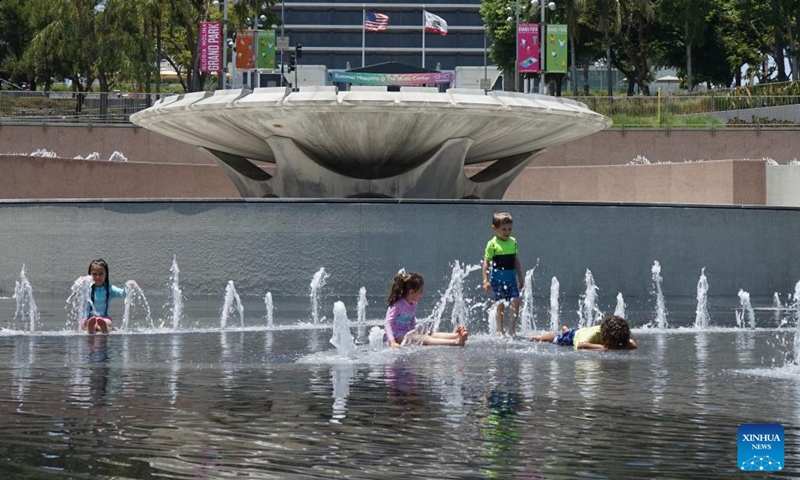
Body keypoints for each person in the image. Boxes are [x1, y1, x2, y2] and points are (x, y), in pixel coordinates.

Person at [384, 272, 468, 347]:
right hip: (396, 335)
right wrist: (392, 342)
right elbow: (388, 322)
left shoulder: (413, 304)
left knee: (429, 334)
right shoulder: (397, 305)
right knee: (424, 339)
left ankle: (456, 336)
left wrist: (415, 331)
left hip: (406, 333)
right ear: (411, 292)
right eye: (421, 291)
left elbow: (411, 319)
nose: (422, 294)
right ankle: (456, 342)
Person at [482, 212, 524, 338]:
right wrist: (485, 280)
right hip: (497, 280)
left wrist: (520, 277)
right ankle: (500, 331)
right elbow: (486, 263)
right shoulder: (492, 244)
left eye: (509, 229)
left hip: (511, 278)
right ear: (494, 228)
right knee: (500, 305)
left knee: (516, 302)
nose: (507, 232)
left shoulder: (513, 242)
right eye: (504, 229)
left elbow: (516, 260)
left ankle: (512, 330)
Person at [81, 259, 137, 334]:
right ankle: (92, 328)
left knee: (109, 323)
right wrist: (80, 281)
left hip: (104, 318)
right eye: (94, 274)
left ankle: (102, 327)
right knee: (86, 324)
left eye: (101, 274)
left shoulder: (109, 289)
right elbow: (79, 288)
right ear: (89, 275)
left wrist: (128, 286)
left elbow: (122, 293)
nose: (97, 277)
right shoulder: (87, 288)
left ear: (106, 274)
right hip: (89, 318)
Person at [530, 315, 638, 350]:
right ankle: (538, 337)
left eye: (617, 342)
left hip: (582, 331)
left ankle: (565, 329)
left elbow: (633, 345)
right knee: (557, 339)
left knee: (568, 331)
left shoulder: (618, 334)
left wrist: (621, 344)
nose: (615, 345)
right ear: (605, 335)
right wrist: (602, 347)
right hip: (574, 336)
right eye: (613, 342)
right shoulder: (594, 334)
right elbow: (581, 345)